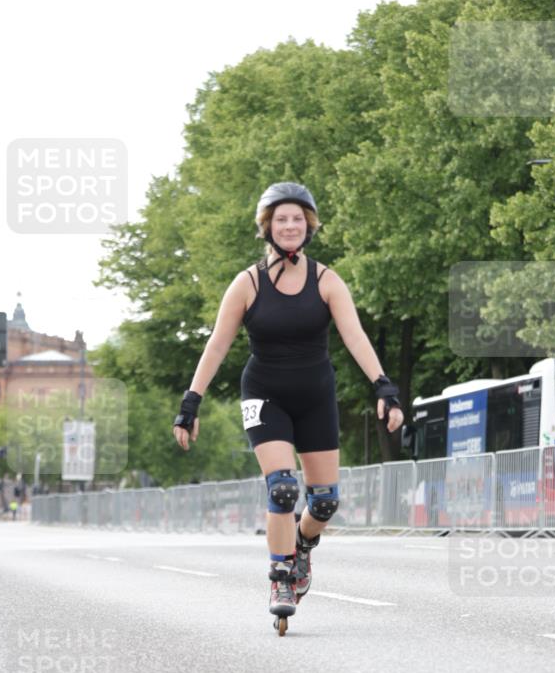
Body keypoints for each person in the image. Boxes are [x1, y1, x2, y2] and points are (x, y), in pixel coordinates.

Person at [172, 182, 404, 628]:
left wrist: (383, 387)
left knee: (324, 503)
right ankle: (280, 575)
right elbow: (218, 345)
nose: (291, 225)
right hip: (264, 394)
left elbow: (355, 336)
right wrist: (191, 402)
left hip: (316, 395)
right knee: (282, 487)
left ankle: (301, 546)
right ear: (267, 227)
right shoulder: (247, 283)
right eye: (282, 218)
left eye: (298, 218)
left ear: (309, 226)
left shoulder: (326, 280)